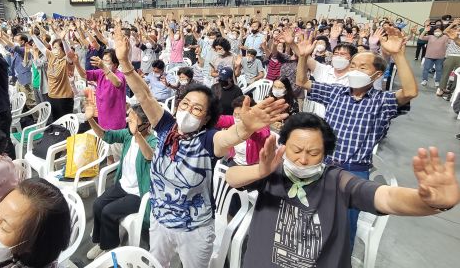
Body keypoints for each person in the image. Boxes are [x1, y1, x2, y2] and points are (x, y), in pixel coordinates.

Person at [111, 20, 288, 268]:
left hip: (194, 231)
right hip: (160, 221)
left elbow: (229, 137)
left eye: (197, 108)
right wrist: (126, 64)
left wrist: (246, 127)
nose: (188, 111)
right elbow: (145, 95)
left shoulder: (207, 140)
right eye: (185, 104)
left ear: (206, 118)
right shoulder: (165, 127)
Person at [225, 113, 460, 267]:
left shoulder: (338, 181)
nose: (303, 159)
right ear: (284, 146)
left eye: (314, 153)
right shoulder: (272, 172)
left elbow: (385, 197)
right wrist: (259, 171)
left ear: (325, 155)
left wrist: (430, 202)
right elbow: (232, 177)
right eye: (296, 150)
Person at [294, 26, 418, 244]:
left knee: (344, 227)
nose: (354, 70)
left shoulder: (382, 102)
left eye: (362, 67)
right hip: (324, 166)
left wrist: (398, 55)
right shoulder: (336, 92)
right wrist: (303, 58)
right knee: (311, 218)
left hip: (354, 171)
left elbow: (409, 92)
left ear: (376, 75)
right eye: (353, 66)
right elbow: (303, 82)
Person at [85, 103, 158, 260]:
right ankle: (101, 242)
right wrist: (91, 119)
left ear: (146, 124)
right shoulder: (127, 135)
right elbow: (106, 135)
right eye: (129, 119)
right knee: (98, 204)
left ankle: (111, 247)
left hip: (139, 193)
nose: (128, 122)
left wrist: (137, 135)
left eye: (132, 120)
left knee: (108, 212)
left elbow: (150, 156)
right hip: (123, 185)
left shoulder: (153, 141)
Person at [73, 48, 127, 132]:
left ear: (115, 65)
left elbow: (117, 83)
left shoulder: (119, 75)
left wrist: (104, 67)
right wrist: (76, 63)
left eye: (107, 61)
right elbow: (84, 74)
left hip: (116, 122)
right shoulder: (100, 73)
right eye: (103, 60)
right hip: (102, 119)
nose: (103, 63)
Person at [31, 35, 74, 121]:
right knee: (56, 121)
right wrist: (33, 36)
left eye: (56, 48)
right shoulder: (52, 57)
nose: (53, 50)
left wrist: (63, 40)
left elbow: (69, 53)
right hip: (52, 96)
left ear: (62, 49)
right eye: (53, 47)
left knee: (65, 122)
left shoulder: (66, 61)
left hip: (64, 98)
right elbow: (42, 48)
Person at [419, 20, 449, 88]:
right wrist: (425, 30)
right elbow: (421, 37)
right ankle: (424, 80)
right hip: (429, 56)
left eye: (439, 31)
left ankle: (437, 81)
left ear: (442, 31)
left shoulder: (445, 37)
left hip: (440, 57)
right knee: (426, 69)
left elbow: (450, 41)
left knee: (438, 70)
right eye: (436, 31)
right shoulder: (430, 37)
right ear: (433, 31)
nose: (437, 32)